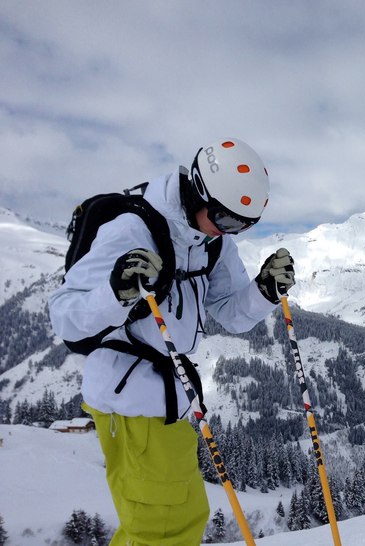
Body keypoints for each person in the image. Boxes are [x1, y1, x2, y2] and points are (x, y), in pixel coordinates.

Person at [48, 138, 295, 545]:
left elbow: (229, 313)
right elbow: (65, 316)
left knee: (174, 522)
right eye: (224, 218)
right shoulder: (133, 229)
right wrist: (116, 293)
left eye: (241, 226)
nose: (227, 230)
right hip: (131, 402)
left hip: (168, 403)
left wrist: (263, 292)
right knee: (165, 530)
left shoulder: (212, 240)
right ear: (197, 190)